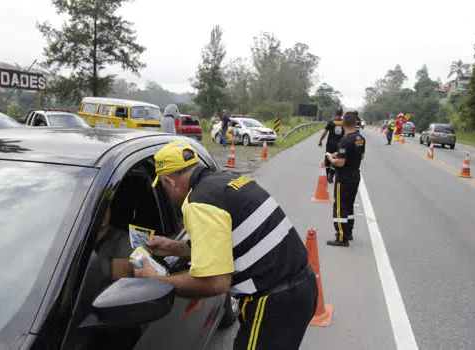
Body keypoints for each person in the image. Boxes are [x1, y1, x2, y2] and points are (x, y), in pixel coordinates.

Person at [135, 141, 318, 349]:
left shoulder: (199, 204)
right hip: (299, 287)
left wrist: (158, 281)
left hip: (274, 301)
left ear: (170, 181)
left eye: (164, 187)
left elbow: (215, 283)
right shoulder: (226, 181)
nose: (166, 193)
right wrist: (174, 247)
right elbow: (222, 244)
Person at [326, 112, 366, 247]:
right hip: (355, 176)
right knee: (349, 205)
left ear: (343, 124)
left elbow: (341, 163)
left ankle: (341, 238)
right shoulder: (360, 138)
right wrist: (342, 154)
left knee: (339, 207)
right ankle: (348, 232)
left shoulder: (344, 141)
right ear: (355, 123)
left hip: (344, 178)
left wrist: (331, 158)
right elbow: (361, 156)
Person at [318, 107, 344, 183]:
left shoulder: (330, 121)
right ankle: (331, 177)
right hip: (341, 145)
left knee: (328, 159)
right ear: (342, 114)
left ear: (335, 113)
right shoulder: (345, 122)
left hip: (330, 144)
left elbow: (325, 133)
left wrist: (320, 140)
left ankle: (327, 175)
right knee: (338, 159)